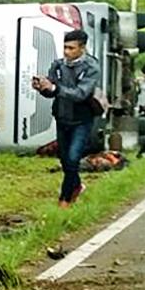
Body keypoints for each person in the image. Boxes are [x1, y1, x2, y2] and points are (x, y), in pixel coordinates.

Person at [32, 29, 101, 208]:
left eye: (71, 48)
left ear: (82, 48)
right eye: (65, 47)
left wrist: (55, 89)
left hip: (82, 120)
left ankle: (65, 198)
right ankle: (76, 185)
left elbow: (81, 93)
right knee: (64, 159)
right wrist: (42, 87)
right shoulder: (58, 65)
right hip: (62, 118)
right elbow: (52, 92)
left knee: (73, 158)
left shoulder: (91, 67)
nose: (67, 52)